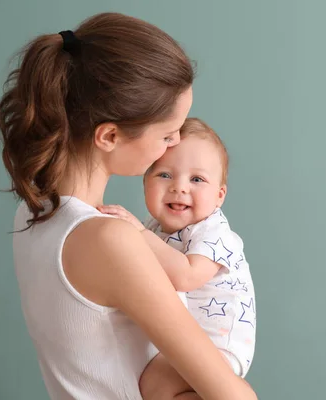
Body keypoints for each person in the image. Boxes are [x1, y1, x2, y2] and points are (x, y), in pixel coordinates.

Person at [0, 12, 257, 400]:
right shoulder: (109, 240)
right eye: (169, 135)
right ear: (110, 135)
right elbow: (232, 396)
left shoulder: (33, 213)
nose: (174, 147)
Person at [98, 118, 256, 395]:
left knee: (156, 383)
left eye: (197, 179)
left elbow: (186, 275)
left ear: (219, 196)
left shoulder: (215, 233)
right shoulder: (154, 229)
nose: (179, 187)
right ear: (145, 183)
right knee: (157, 387)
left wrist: (136, 233)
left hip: (216, 347)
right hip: (183, 342)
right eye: (165, 175)